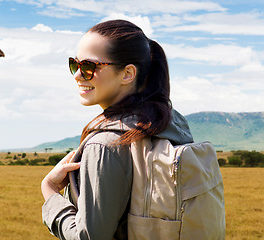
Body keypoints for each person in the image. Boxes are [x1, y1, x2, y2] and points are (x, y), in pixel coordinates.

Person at [40, 19, 194, 240]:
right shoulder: (172, 124)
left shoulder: (104, 145)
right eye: (74, 64)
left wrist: (50, 190)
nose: (77, 75)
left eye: (89, 67)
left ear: (127, 74)